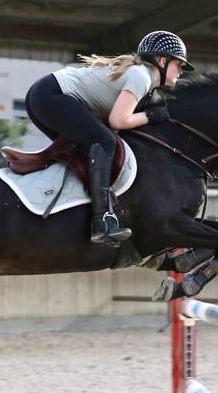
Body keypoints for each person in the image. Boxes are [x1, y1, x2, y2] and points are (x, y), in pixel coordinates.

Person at [25, 30, 194, 247]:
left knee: (86, 151)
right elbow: (118, 121)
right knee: (106, 143)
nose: (181, 71)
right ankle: (101, 220)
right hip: (50, 95)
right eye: (179, 65)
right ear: (162, 61)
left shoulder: (144, 80)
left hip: (42, 95)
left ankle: (78, 211)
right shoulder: (141, 76)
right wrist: (150, 116)